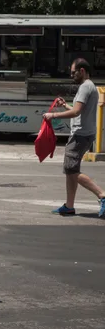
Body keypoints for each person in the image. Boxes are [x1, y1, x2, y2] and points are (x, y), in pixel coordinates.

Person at [43, 58, 105, 217]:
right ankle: (69, 206)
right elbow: (78, 111)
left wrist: (53, 115)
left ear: (82, 71)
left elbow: (76, 112)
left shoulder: (85, 87)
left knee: (70, 170)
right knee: (71, 170)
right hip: (85, 134)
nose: (72, 76)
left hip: (80, 135)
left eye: (73, 72)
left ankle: (102, 195)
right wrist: (65, 106)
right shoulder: (91, 86)